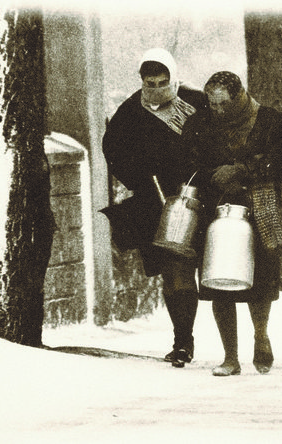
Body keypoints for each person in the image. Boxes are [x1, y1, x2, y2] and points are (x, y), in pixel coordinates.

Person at [182, 71, 282, 376]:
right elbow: (186, 162)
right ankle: (230, 356)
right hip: (215, 207)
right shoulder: (199, 124)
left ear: (240, 96)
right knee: (218, 280)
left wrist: (244, 170)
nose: (217, 110)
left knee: (259, 279)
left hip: (259, 205)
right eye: (212, 103)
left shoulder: (270, 121)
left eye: (223, 104)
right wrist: (213, 176)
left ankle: (261, 336)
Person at [101, 48, 208, 368]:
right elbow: (113, 149)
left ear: (174, 78)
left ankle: (232, 346)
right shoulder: (131, 111)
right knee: (176, 271)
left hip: (202, 195)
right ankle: (182, 341)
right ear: (141, 81)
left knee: (211, 272)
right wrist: (138, 174)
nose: (157, 89)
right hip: (158, 200)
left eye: (164, 82)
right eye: (150, 83)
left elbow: (219, 140)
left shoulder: (196, 103)